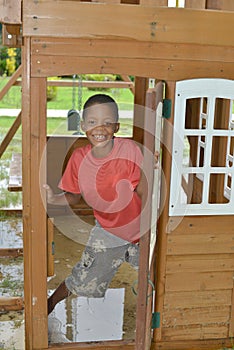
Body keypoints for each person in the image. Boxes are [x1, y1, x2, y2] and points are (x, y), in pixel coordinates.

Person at [45, 94, 145, 315]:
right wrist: (54, 199)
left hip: (142, 232)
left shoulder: (130, 151)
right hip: (109, 233)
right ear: (83, 126)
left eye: (107, 122)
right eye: (92, 122)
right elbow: (73, 196)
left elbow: (144, 189)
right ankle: (50, 303)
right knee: (84, 278)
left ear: (116, 126)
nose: (99, 128)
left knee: (155, 274)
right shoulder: (79, 159)